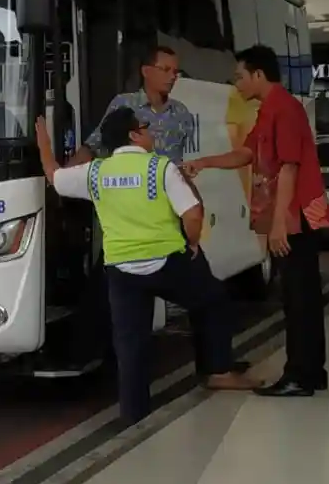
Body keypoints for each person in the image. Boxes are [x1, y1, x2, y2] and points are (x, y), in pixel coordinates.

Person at [36, 107, 258, 425]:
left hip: (122, 270)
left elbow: (54, 176)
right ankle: (218, 370)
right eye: (146, 127)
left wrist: (43, 140)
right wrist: (192, 243)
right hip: (168, 261)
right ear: (134, 135)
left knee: (130, 344)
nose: (151, 132)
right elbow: (192, 213)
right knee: (213, 301)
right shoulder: (160, 167)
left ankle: (135, 416)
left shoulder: (94, 172)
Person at [70, 43, 245, 380]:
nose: (172, 77)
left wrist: (193, 204)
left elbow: (177, 166)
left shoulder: (180, 114)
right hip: (130, 218)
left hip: (172, 219)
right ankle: (102, 361)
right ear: (146, 71)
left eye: (176, 71)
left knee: (204, 293)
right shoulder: (124, 106)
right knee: (112, 292)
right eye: (166, 70)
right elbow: (92, 147)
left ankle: (215, 366)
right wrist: (66, 178)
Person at [184, 45, 329, 397]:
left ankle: (300, 374)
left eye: (239, 76)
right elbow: (247, 153)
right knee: (300, 296)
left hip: (297, 216)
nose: (236, 84)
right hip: (289, 215)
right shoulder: (268, 110)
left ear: (258, 75)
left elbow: (289, 168)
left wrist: (280, 222)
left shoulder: (285, 110)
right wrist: (205, 162)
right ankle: (311, 371)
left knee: (299, 298)